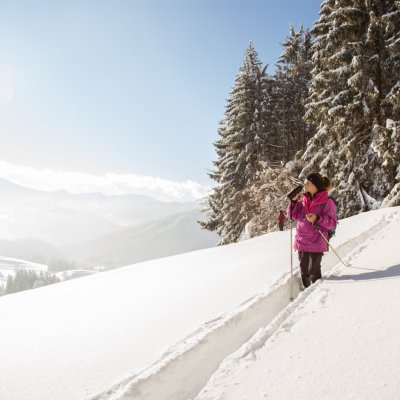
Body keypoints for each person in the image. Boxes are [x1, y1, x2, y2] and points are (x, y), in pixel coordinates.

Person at [287, 172, 337, 288]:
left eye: (307, 183)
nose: (305, 185)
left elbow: (332, 223)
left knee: (313, 271)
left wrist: (317, 218)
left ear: (315, 185)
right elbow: (291, 216)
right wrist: (293, 202)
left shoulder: (327, 202)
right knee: (304, 272)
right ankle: (306, 292)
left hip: (317, 240)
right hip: (302, 240)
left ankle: (314, 295)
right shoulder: (303, 200)